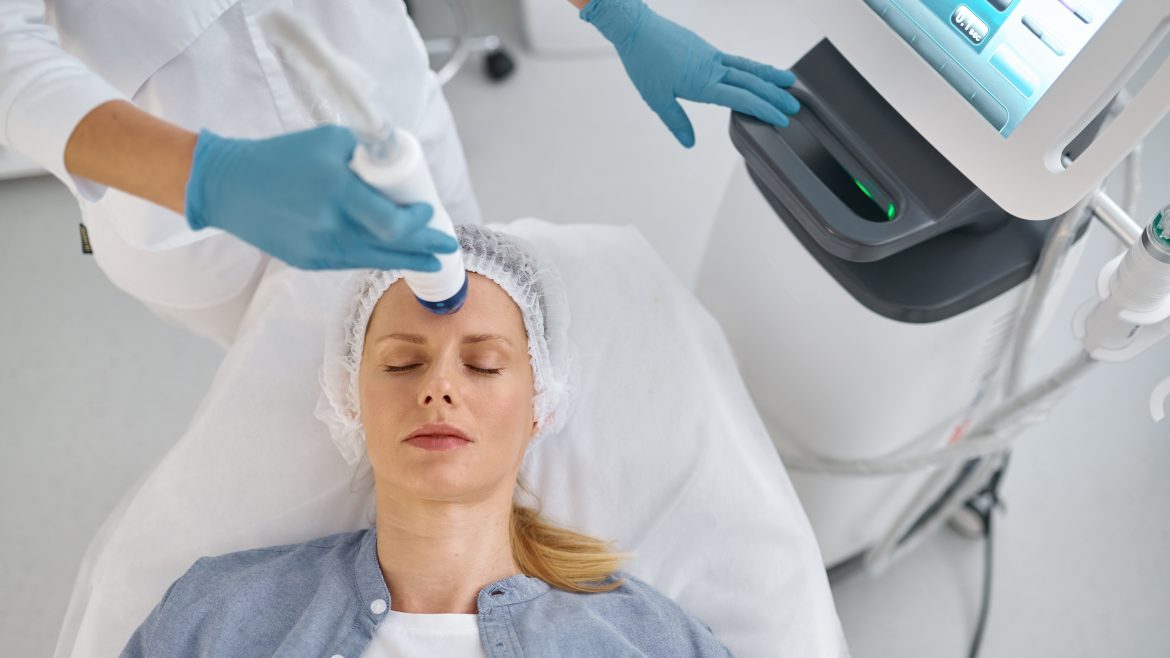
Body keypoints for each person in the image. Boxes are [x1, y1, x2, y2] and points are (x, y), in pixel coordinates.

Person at [119, 224, 734, 657]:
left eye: (484, 365)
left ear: (541, 404)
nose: (439, 388)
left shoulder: (647, 642)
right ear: (350, 396)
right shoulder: (219, 617)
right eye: (402, 364)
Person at [1, 0, 799, 281]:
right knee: (312, 397)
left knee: (461, 287)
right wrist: (209, 175)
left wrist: (614, 11)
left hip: (389, 106)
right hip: (189, 197)